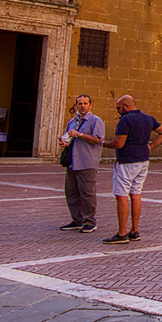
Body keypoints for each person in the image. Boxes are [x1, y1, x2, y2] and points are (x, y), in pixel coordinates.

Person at [100, 94, 162, 244]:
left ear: (125, 106)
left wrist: (104, 143)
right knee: (136, 194)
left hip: (126, 161)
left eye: (118, 108)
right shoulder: (148, 119)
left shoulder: (125, 120)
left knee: (121, 195)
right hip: (143, 160)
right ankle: (134, 230)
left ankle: (122, 232)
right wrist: (151, 146)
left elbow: (119, 143)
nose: (117, 111)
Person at [58, 95, 105, 233]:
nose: (82, 106)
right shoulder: (72, 121)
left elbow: (98, 140)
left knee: (87, 193)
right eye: (80, 103)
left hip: (87, 162)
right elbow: (69, 138)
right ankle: (77, 219)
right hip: (72, 162)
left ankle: (89, 221)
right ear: (76, 105)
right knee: (71, 192)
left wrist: (79, 135)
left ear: (90, 105)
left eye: (85, 103)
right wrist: (64, 142)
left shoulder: (95, 121)